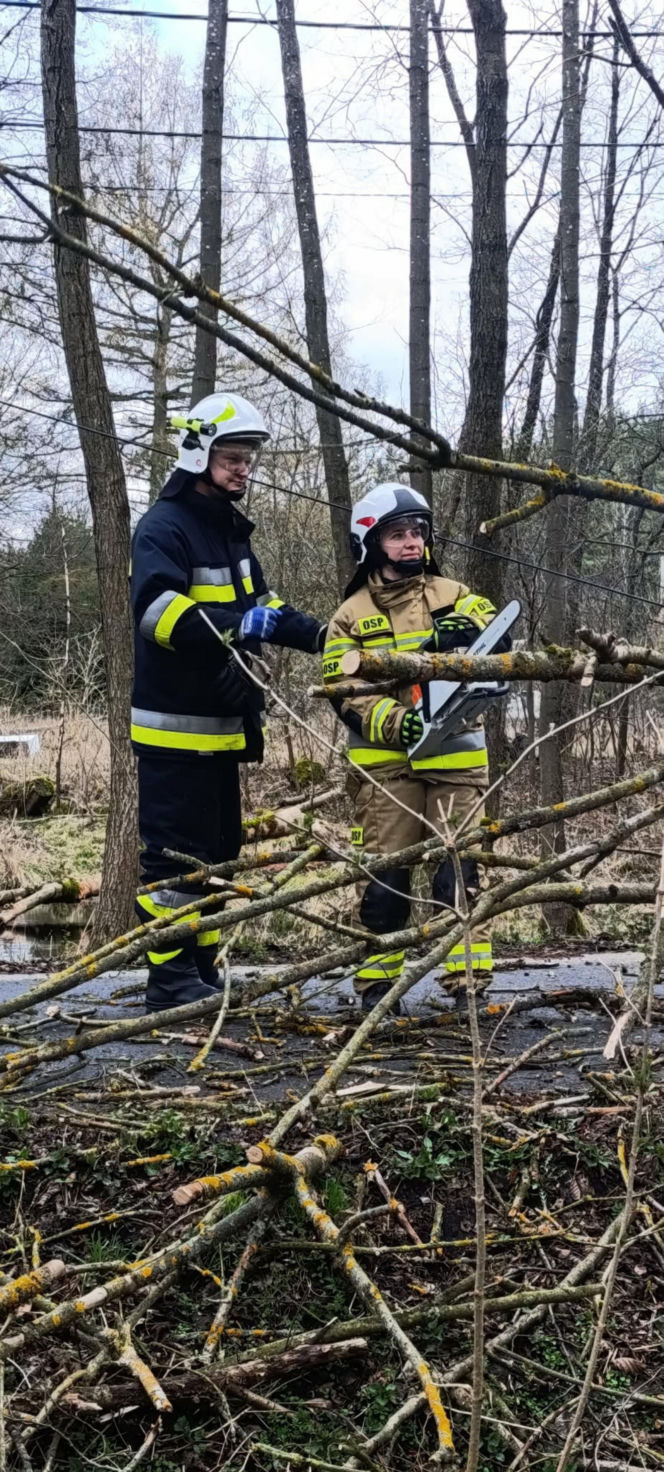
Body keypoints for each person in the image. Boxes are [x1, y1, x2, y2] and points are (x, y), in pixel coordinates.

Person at [131, 391, 324, 1013]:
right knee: (170, 863)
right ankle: (168, 981)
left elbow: (263, 610)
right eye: (232, 457)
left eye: (247, 459)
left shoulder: (232, 533)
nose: (244, 469)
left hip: (220, 729)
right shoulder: (164, 527)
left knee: (217, 856)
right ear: (198, 453)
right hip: (174, 731)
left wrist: (326, 636)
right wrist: (234, 629)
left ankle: (202, 967)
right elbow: (157, 614)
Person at [322, 482, 507, 1011]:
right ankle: (378, 988)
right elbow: (344, 692)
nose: (410, 543)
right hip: (386, 769)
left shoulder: (455, 593)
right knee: (387, 876)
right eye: (398, 534)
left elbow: (502, 639)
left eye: (417, 533)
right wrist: (395, 721)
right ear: (371, 542)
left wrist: (463, 636)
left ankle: (468, 985)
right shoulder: (349, 616)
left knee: (459, 872)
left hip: (457, 759)